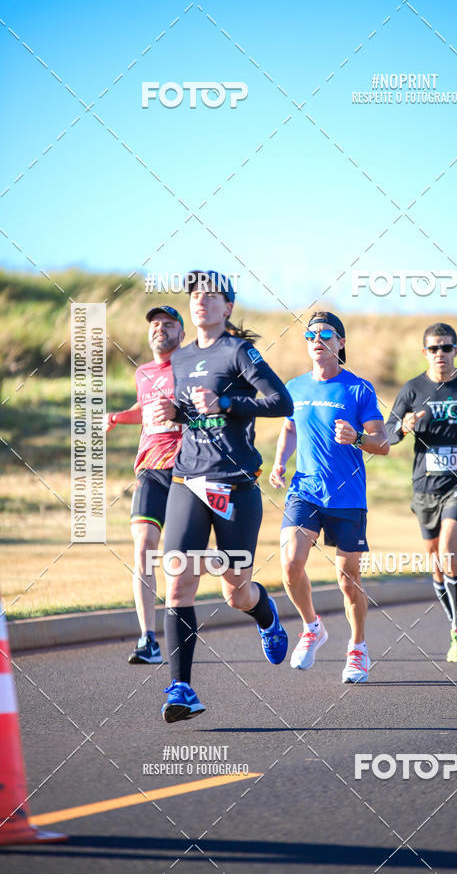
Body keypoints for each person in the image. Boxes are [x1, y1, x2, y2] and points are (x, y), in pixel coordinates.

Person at [153, 270, 294, 722]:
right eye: (195, 294)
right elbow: (192, 412)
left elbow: (281, 402)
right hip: (187, 481)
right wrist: (176, 412)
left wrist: (228, 404)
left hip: (235, 484)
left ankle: (266, 614)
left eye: (211, 295)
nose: (201, 300)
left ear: (228, 307)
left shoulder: (239, 351)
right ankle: (181, 689)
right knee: (178, 581)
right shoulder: (179, 357)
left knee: (235, 592)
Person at [269, 311, 389, 684]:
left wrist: (357, 437)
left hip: (347, 496)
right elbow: (289, 429)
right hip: (305, 491)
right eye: (310, 335)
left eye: (325, 334)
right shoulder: (294, 387)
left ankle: (358, 648)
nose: (316, 340)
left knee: (347, 578)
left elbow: (383, 443)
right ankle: (312, 627)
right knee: (290, 563)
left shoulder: (358, 389)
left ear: (341, 342)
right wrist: (279, 462)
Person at [385, 323, 457, 662]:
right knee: (435, 564)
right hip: (425, 485)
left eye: (446, 348)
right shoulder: (412, 389)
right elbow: (388, 433)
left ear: (456, 350)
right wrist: (403, 427)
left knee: (447, 553)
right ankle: (454, 624)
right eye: (433, 348)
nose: (440, 354)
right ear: (424, 352)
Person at [104, 305, 185, 664]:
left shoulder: (192, 367)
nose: (159, 329)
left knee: (180, 558)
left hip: (186, 471)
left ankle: (183, 632)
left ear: (182, 333)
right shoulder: (144, 372)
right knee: (143, 548)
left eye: (168, 324)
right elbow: (144, 408)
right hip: (150, 469)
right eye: (154, 324)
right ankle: (147, 640)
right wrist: (117, 417)